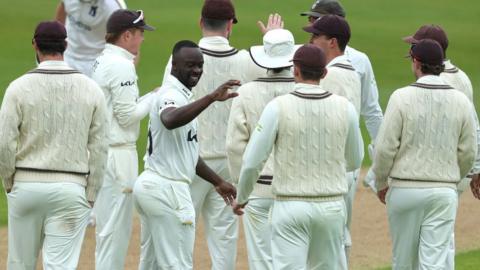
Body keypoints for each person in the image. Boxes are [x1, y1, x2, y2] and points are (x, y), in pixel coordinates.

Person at [233, 44, 363, 270]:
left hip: (290, 205)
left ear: (295, 70)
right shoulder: (346, 108)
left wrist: (242, 195)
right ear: (324, 73)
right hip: (331, 205)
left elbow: (253, 160)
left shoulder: (277, 107)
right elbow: (355, 160)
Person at [161, 1, 269, 268]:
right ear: (230, 25)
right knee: (224, 240)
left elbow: (167, 103)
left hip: (190, 161)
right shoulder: (247, 60)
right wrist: (270, 40)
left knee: (181, 235)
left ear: (201, 22)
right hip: (230, 162)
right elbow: (283, 68)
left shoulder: (182, 58)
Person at [0, 21, 108, 270]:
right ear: (66, 45)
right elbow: (100, 148)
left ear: (35, 45)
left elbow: (4, 143)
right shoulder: (91, 89)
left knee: (19, 265)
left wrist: (9, 182)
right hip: (71, 188)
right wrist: (91, 193)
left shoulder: (17, 88)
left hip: (25, 186)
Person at [372, 39, 478, 270]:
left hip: (404, 190)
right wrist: (451, 177)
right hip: (443, 192)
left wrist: (381, 182)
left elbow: (384, 148)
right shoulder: (461, 101)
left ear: (416, 62)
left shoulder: (401, 97)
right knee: (435, 263)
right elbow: (469, 151)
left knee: (403, 262)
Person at [133, 40, 238, 269]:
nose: (197, 71)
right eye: (190, 65)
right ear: (174, 66)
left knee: (151, 265)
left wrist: (218, 181)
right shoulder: (171, 94)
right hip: (168, 190)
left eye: (200, 65)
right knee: (178, 264)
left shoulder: (182, 96)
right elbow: (169, 119)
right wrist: (210, 98)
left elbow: (187, 153)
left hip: (153, 186)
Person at [402, 23, 480, 269]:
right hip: (455, 168)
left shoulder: (439, 80)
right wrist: (476, 168)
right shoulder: (461, 76)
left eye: (416, 45)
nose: (413, 49)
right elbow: (474, 125)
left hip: (441, 169)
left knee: (432, 240)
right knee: (443, 236)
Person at [226, 28, 298, 270]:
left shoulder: (245, 92)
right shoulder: (304, 92)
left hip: (258, 190)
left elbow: (235, 146)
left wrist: (241, 188)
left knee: (262, 261)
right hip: (296, 190)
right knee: (295, 259)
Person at [90, 9, 155, 270]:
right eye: (140, 34)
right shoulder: (121, 66)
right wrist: (154, 97)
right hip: (118, 157)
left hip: (105, 153)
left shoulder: (103, 59)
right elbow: (128, 117)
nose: (142, 39)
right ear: (126, 35)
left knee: (106, 233)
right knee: (115, 235)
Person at [303, 14, 362, 261]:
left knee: (327, 241)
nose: (311, 40)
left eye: (316, 36)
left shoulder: (331, 75)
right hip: (344, 164)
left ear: (333, 42)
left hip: (330, 166)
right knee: (338, 234)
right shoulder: (351, 71)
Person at [55, 0, 127, 76]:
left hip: (94, 66)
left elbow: (129, 48)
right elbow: (63, 8)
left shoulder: (114, 8)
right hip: (64, 57)